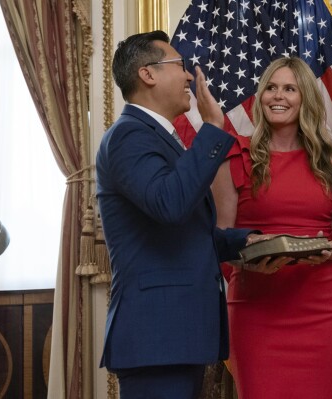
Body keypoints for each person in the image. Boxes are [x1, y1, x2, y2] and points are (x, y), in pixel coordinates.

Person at [96, 30, 266, 399]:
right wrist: (212, 128)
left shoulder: (159, 138)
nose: (190, 76)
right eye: (180, 66)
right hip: (156, 337)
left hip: (177, 336)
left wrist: (246, 242)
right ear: (148, 74)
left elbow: (184, 231)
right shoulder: (128, 136)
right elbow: (169, 204)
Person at [211, 56, 332, 398]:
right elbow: (218, 240)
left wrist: (325, 251)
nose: (278, 96)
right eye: (271, 88)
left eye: (289, 89)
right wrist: (250, 260)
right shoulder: (236, 155)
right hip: (255, 309)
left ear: (305, 97)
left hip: (320, 310)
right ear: (261, 96)